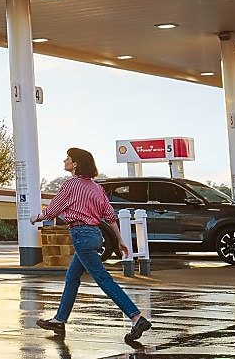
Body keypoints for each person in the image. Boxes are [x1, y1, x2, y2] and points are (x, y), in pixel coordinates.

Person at [30, 147, 151, 344]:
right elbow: (110, 217)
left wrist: (37, 217)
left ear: (75, 164)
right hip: (95, 235)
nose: (64, 161)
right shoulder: (97, 188)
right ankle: (59, 320)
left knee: (103, 279)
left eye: (67, 158)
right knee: (72, 277)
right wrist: (120, 240)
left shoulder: (70, 185)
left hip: (81, 235)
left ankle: (137, 318)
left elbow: (53, 209)